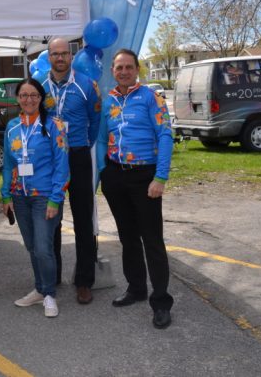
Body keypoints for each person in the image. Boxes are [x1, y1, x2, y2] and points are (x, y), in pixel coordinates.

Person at [97, 49, 174, 329]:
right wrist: (104, 173)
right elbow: (103, 139)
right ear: (112, 71)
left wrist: (160, 178)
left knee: (152, 241)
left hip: (146, 177)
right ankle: (137, 288)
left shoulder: (151, 98)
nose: (124, 71)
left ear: (137, 69)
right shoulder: (109, 102)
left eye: (129, 67)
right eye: (119, 67)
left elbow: (165, 135)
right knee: (128, 238)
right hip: (116, 176)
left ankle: (161, 301)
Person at [0, 79, 69, 318]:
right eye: (24, 95)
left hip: (45, 196)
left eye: (34, 95)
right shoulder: (11, 127)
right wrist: (6, 194)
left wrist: (55, 198)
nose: (29, 100)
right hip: (20, 197)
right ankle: (39, 289)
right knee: (31, 247)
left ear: (41, 99)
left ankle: (49, 294)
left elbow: (62, 165)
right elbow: (8, 164)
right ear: (17, 98)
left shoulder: (54, 125)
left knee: (43, 247)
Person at [42, 38, 101, 304]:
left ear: (72, 55)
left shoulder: (88, 85)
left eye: (65, 53)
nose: (60, 58)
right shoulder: (39, 87)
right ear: (49, 56)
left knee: (83, 219)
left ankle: (84, 281)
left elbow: (96, 121)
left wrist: (81, 144)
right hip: (50, 158)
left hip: (77, 155)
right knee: (50, 217)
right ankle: (52, 276)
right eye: (55, 54)